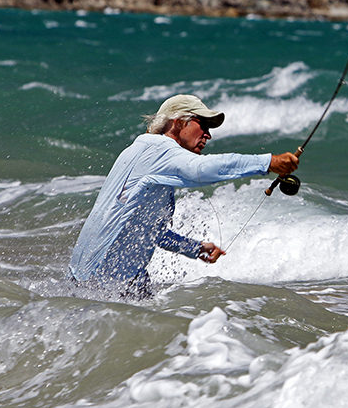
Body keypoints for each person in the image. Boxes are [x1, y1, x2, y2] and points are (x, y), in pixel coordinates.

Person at [68, 94, 299, 297]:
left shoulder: (144, 152)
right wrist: (268, 162)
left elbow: (148, 231)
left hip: (101, 281)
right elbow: (201, 169)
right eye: (203, 125)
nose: (208, 135)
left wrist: (194, 248)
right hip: (101, 283)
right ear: (178, 123)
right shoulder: (158, 150)